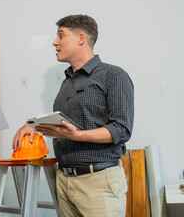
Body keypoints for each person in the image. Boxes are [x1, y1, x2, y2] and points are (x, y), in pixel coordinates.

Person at [12, 15, 134, 217]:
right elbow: (66, 121)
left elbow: (121, 130)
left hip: (99, 182)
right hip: (64, 181)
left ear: (81, 38)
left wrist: (77, 136)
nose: (54, 42)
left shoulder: (113, 75)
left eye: (61, 35)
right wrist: (33, 124)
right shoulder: (67, 82)